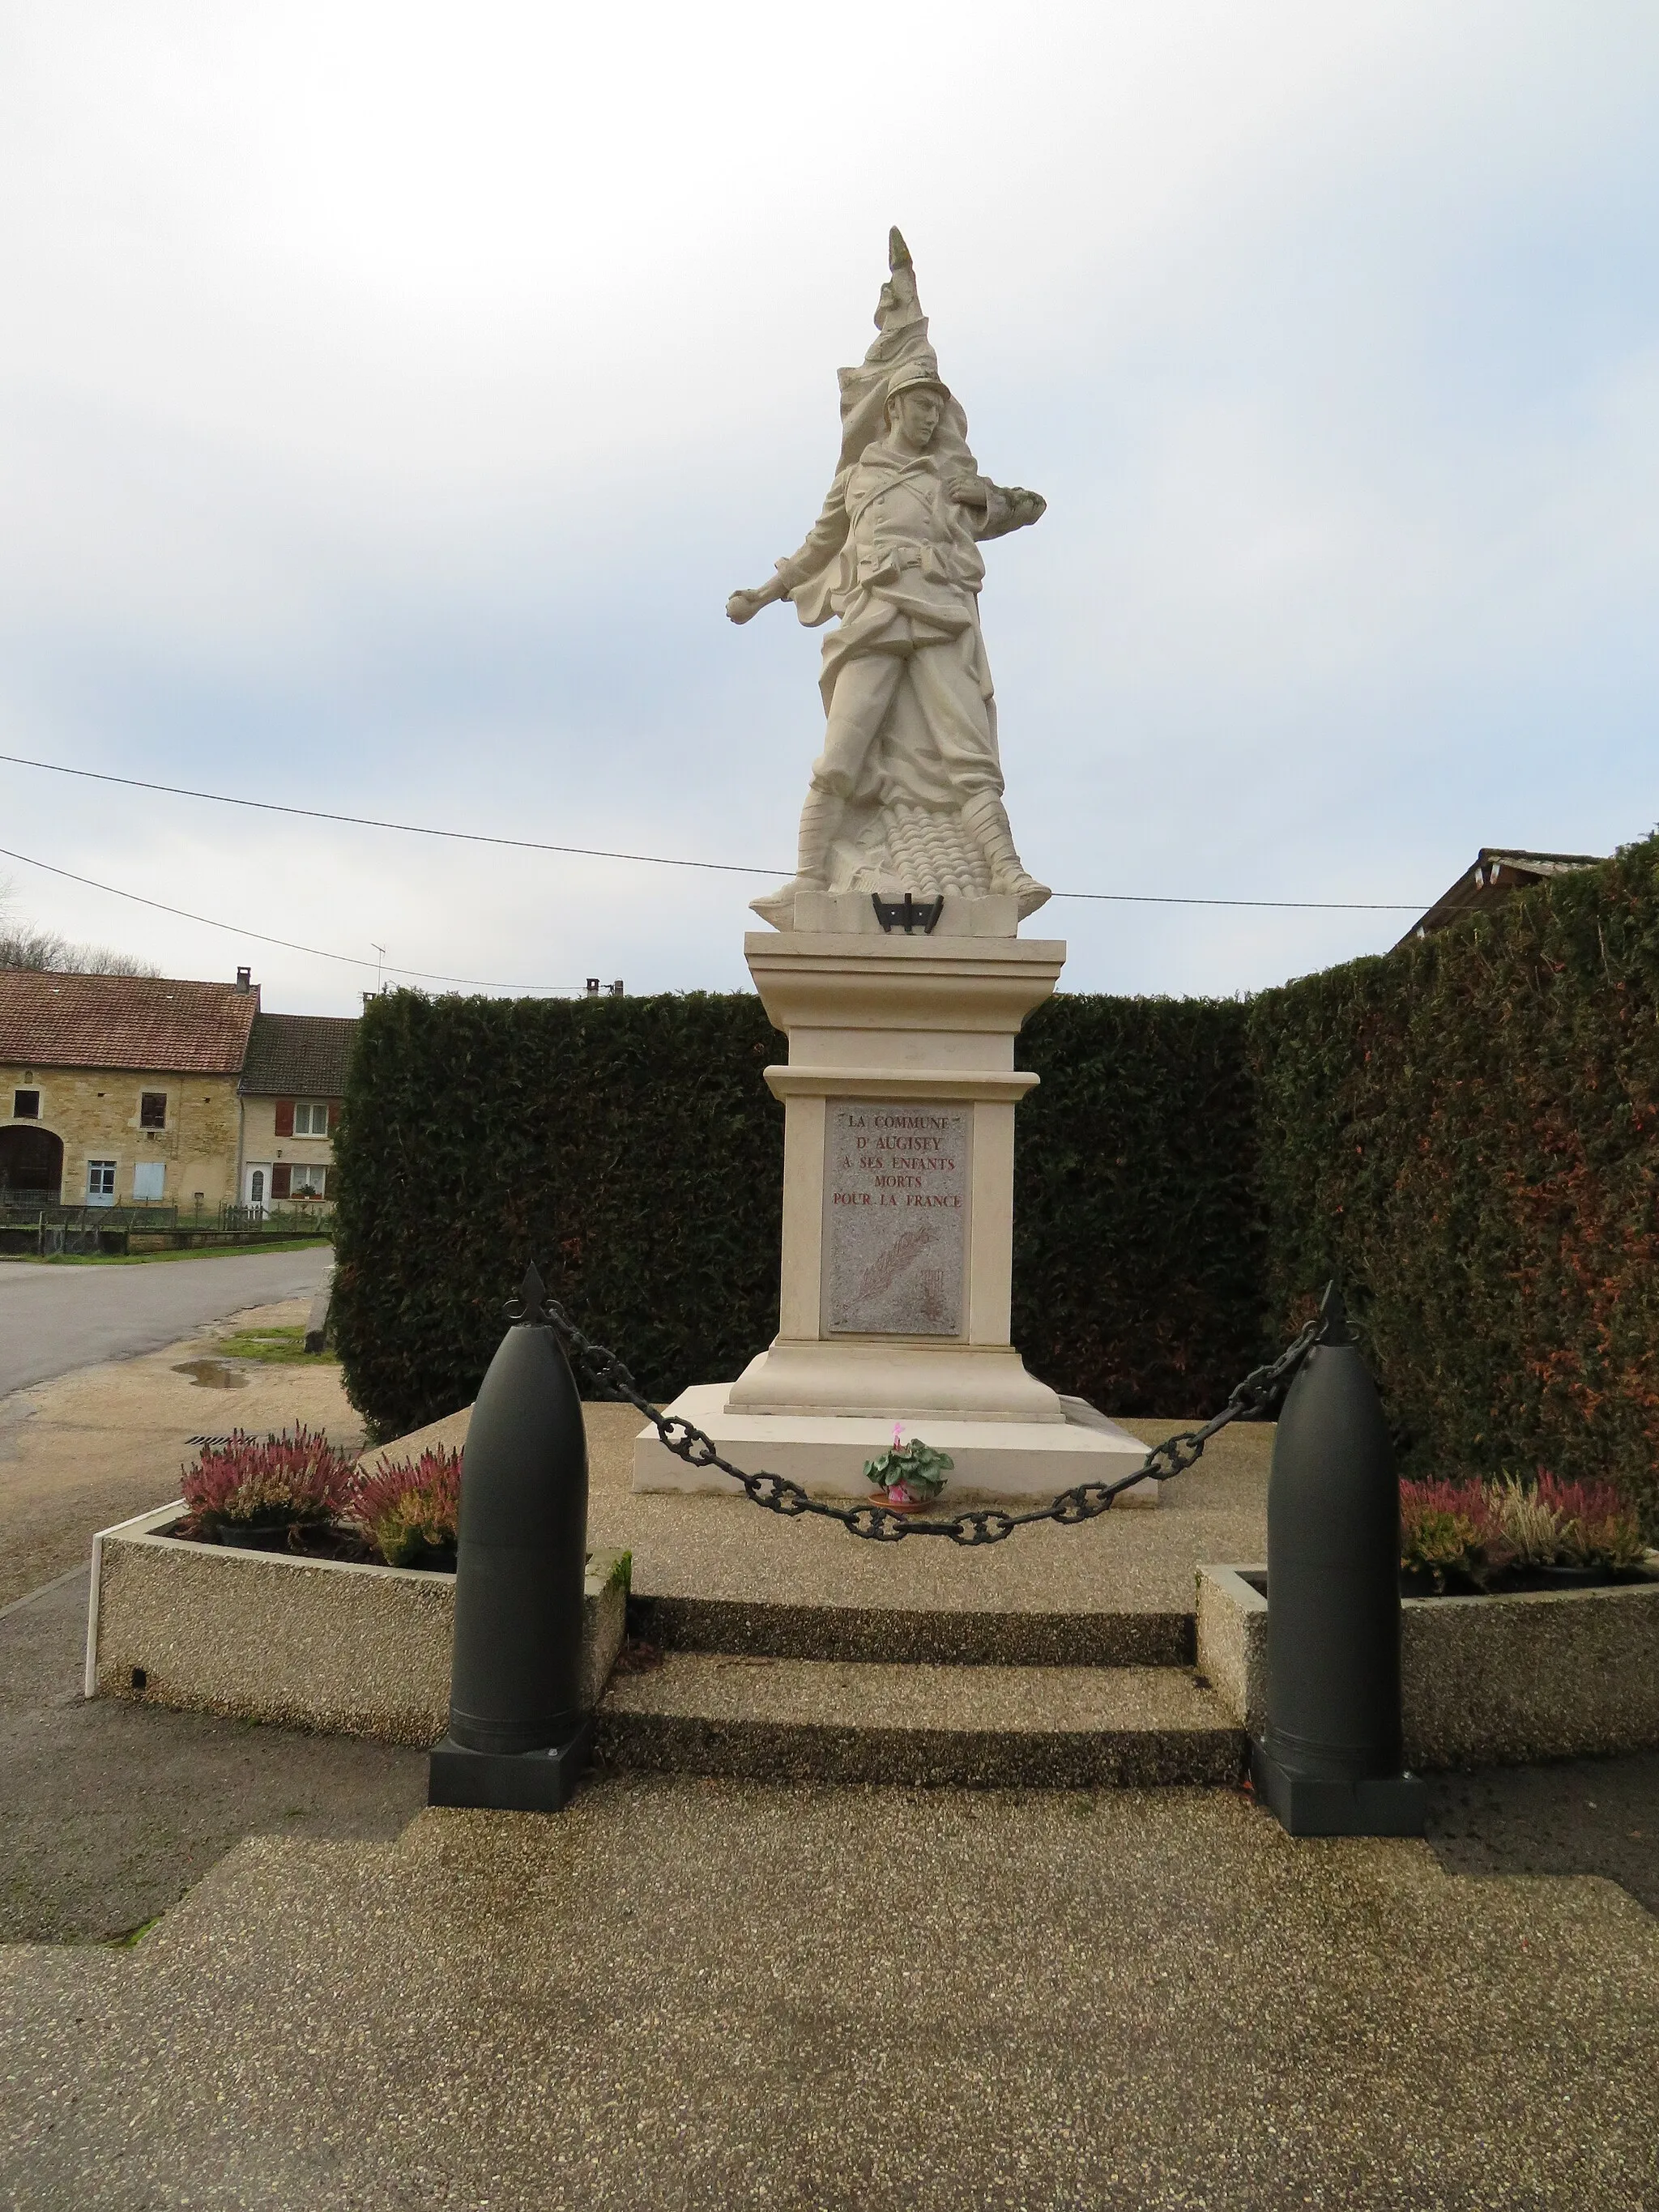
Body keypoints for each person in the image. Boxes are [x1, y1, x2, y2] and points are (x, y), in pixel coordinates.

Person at [727, 234, 1049, 918]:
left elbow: (1011, 508)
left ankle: (1008, 874)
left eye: (938, 404)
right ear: (892, 408)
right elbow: (818, 549)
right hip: (875, 618)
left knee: (968, 754)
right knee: (840, 755)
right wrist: (763, 593)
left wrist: (1005, 502)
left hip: (935, 614)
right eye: (919, 402)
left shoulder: (949, 477)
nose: (930, 413)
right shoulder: (859, 477)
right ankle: (810, 881)